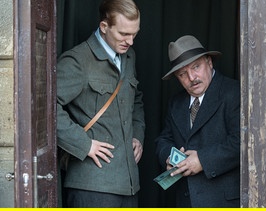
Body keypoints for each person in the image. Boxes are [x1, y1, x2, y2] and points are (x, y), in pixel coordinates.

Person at [56, 0, 145, 207]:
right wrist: (83, 143)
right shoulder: (77, 61)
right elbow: (45, 109)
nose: (130, 41)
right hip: (91, 186)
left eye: (135, 34)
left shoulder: (129, 56)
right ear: (104, 27)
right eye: (124, 34)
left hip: (129, 183)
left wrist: (137, 136)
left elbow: (136, 99)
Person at [155, 35, 240, 207]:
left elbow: (243, 143)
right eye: (183, 74)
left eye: (196, 67)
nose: (192, 77)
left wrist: (202, 160)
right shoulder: (176, 103)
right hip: (186, 201)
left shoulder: (234, 92)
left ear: (209, 62)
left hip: (223, 201)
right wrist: (169, 157)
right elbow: (163, 140)